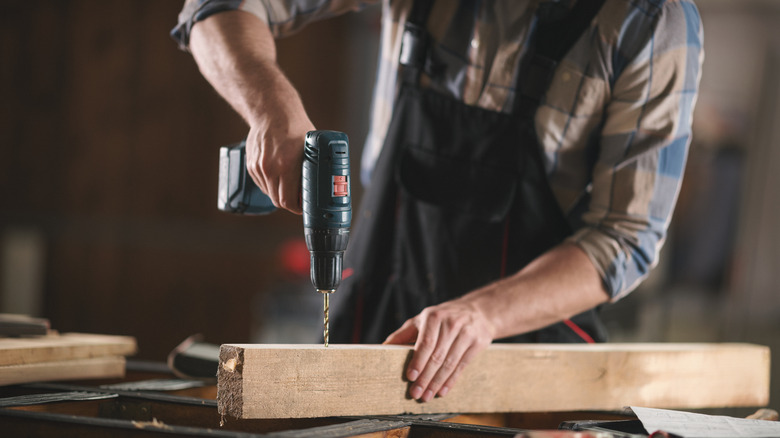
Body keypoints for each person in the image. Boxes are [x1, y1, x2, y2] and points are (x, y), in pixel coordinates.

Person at [172, 0, 703, 403]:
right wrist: (271, 108)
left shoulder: (649, 21)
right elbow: (211, 10)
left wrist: (480, 315)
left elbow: (626, 238)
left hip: (524, 367)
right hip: (376, 326)